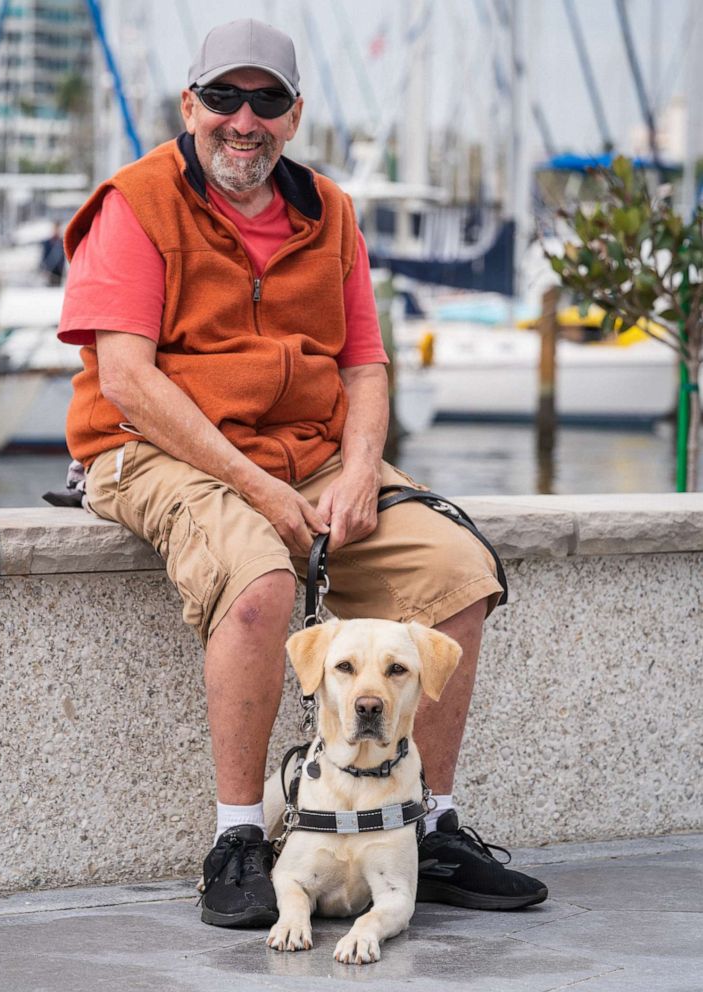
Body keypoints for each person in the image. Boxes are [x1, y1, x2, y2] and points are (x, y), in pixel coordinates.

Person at [56, 18, 547, 929]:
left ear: (294, 116)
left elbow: (364, 363)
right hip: (156, 445)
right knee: (259, 584)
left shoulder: (331, 210)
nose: (244, 121)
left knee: (455, 574)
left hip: (311, 449)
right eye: (224, 99)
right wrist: (259, 487)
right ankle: (239, 837)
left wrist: (359, 471)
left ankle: (428, 825)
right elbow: (127, 379)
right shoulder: (133, 202)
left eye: (267, 101)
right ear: (189, 105)